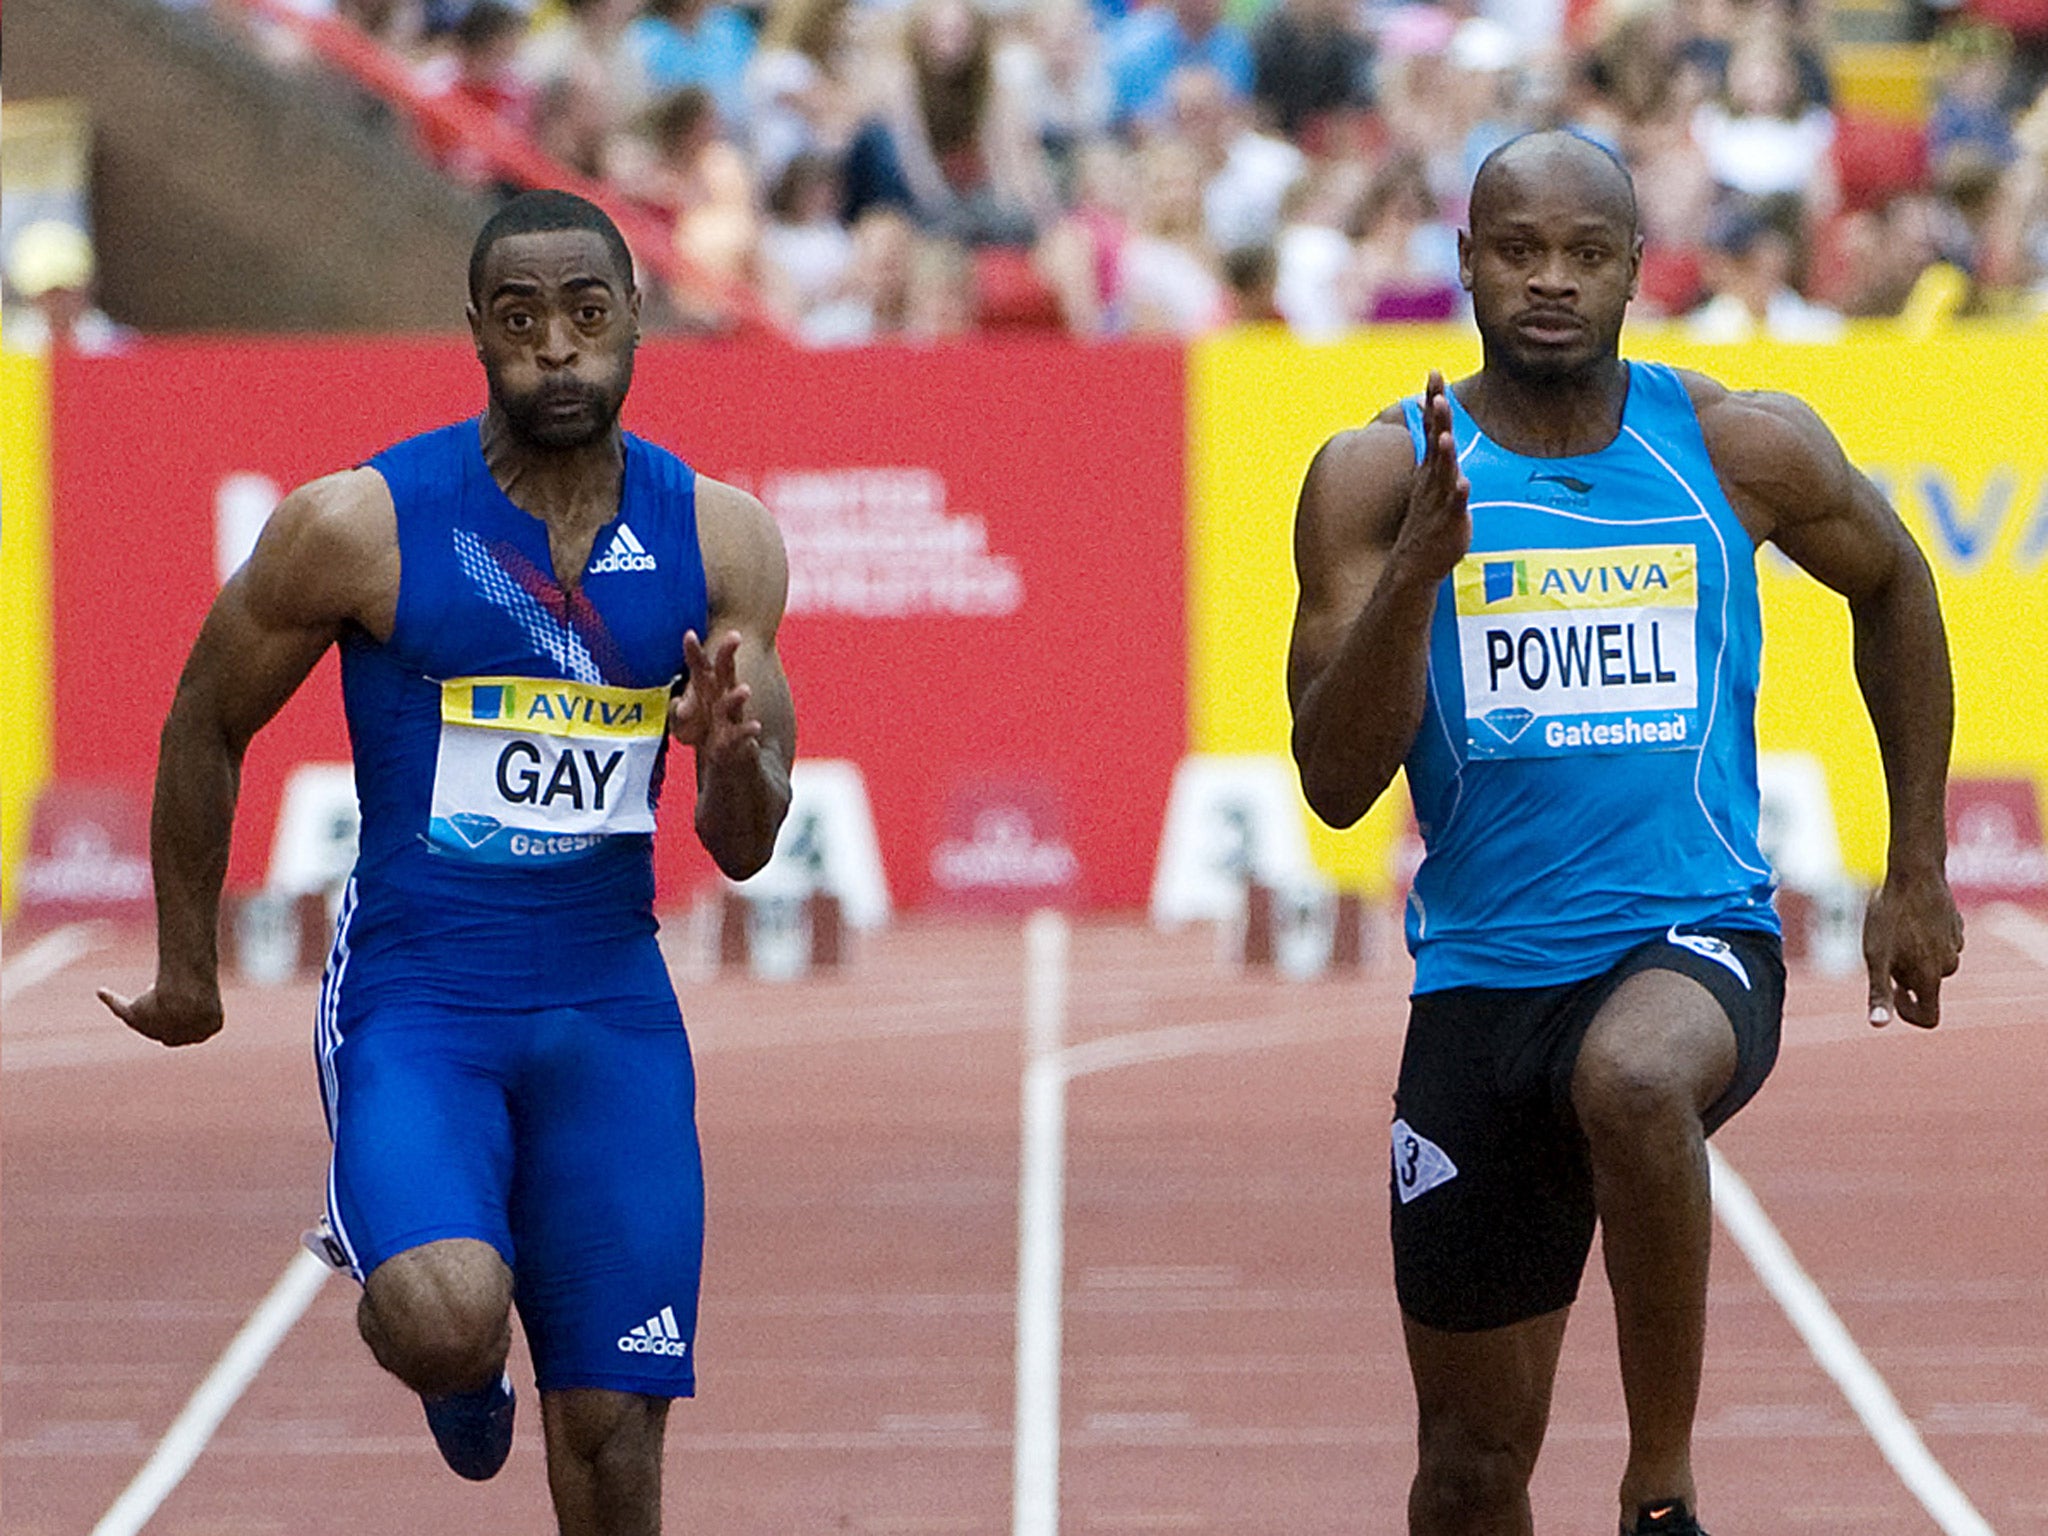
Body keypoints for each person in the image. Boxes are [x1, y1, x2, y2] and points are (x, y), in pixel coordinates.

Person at [1285, 130, 1962, 1536]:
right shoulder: (1373, 477)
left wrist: (1916, 873)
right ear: (1465, 263)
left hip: (1691, 941)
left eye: (1586, 255)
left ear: (1637, 273)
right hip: (1479, 989)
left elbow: (1896, 586)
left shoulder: (1734, 448)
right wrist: (1416, 574)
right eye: (1519, 251)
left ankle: (1660, 1491)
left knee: (1638, 1080)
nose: (1551, 282)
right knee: (1468, 1476)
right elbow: (1338, 782)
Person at [98, 189, 795, 1534]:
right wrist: (190, 968)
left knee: (615, 1446)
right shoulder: (360, 525)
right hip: (421, 1002)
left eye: (587, 318)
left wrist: (725, 755)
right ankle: (457, 1375)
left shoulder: (724, 542)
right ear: (475, 331)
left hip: (611, 1011)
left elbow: (749, 840)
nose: (556, 350)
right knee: (447, 1320)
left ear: (635, 324)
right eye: (521, 321)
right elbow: (205, 718)